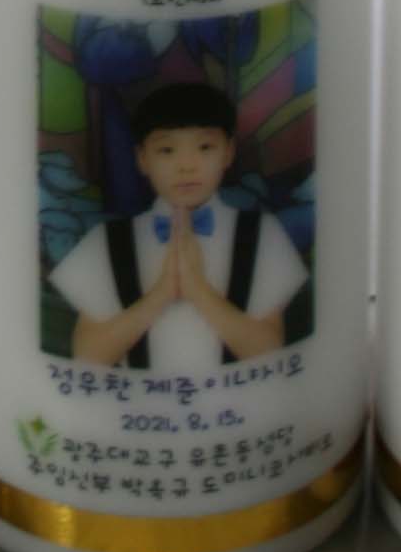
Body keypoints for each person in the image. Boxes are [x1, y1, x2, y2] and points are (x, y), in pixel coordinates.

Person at [50, 77, 308, 373]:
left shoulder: (263, 236)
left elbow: (269, 350)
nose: (186, 165)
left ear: (228, 152)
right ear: (142, 159)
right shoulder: (106, 242)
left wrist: (198, 290)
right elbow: (88, 357)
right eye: (167, 150)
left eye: (205, 147)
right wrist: (161, 294)